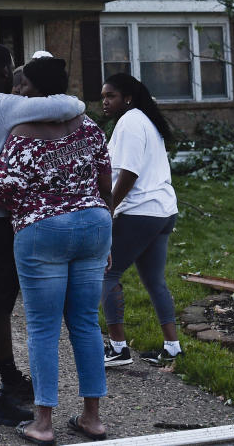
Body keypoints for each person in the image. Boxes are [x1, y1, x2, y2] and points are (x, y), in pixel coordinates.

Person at [0, 57, 113, 445]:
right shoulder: (90, 127)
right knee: (85, 324)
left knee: (43, 328)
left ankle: (43, 424)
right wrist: (108, 233)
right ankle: (92, 419)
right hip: (94, 226)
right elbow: (105, 179)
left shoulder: (24, 132)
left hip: (44, 231)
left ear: (35, 89)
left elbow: (2, 191)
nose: (18, 92)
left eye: (23, 87)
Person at [100, 72, 183, 367]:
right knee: (154, 280)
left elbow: (129, 174)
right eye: (103, 96)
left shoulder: (131, 122)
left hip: (140, 212)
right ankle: (172, 347)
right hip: (162, 211)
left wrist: (108, 207)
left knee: (106, 274)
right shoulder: (144, 120)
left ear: (128, 98)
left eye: (111, 96)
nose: (105, 102)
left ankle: (118, 349)